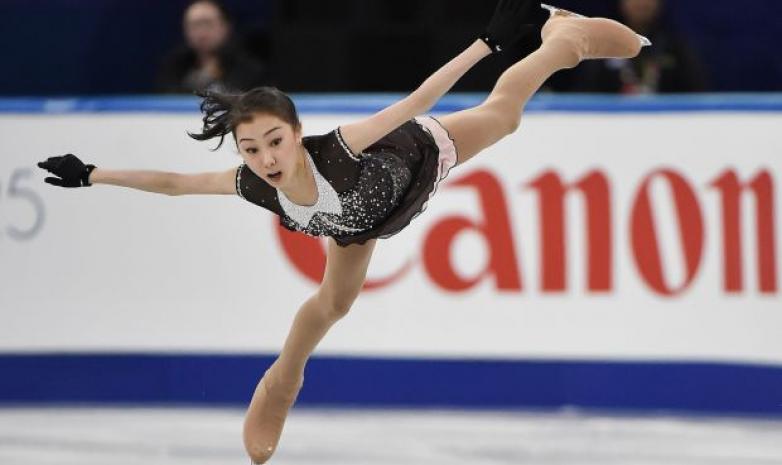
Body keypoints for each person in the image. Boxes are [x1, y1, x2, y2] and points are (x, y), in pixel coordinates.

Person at [37, 2, 647, 463]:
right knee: (332, 303)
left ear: (296, 133)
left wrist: (487, 43)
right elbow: (173, 183)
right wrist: (92, 174)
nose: (266, 157)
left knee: (503, 116)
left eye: (275, 141)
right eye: (252, 149)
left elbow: (418, 100)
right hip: (355, 227)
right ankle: (281, 382)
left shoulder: (342, 148)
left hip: (412, 159)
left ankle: (562, 39)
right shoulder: (253, 185)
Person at [565, 0, 707, 93]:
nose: (641, 3)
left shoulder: (676, 47)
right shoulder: (601, 45)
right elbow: (584, 95)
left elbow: (697, 95)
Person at [157, 0, 269, 93]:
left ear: (226, 26)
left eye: (208, 23)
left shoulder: (249, 68)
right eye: (194, 25)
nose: (201, 33)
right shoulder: (174, 67)